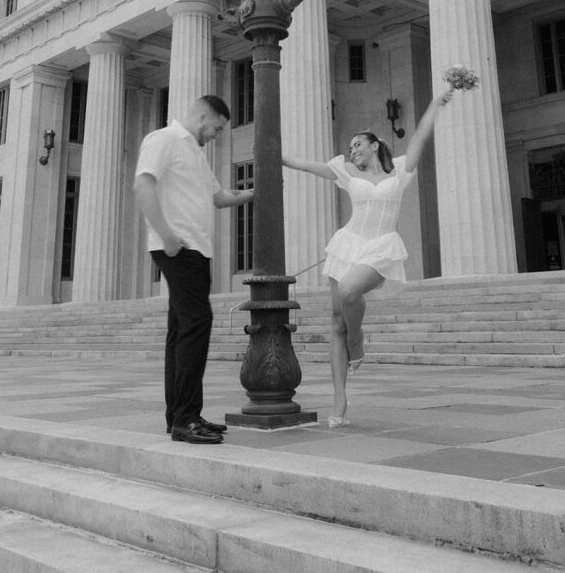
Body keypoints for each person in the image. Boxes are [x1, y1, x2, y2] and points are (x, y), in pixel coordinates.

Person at [283, 89, 453, 427]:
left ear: (375, 145)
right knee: (335, 323)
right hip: (348, 243)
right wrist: (280, 157)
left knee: (349, 293)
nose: (352, 150)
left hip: (382, 245)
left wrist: (435, 103)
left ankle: (357, 343)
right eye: (350, 148)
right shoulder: (346, 172)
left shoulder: (401, 170)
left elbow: (420, 136)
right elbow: (310, 166)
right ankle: (339, 400)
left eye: (358, 145)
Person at [134, 94, 254, 445]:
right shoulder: (164, 139)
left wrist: (255, 193)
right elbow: (143, 184)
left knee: (181, 330)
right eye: (217, 127)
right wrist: (167, 235)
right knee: (196, 325)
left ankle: (180, 416)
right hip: (179, 248)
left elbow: (219, 197)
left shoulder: (197, 154)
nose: (217, 135)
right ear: (204, 116)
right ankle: (186, 419)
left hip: (196, 251)